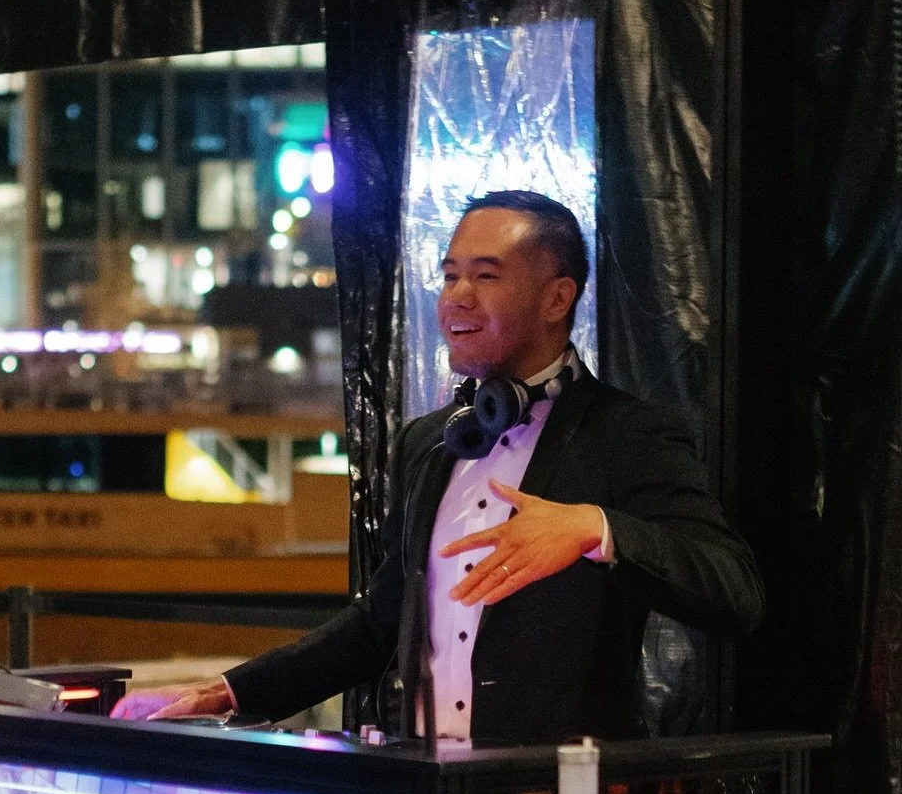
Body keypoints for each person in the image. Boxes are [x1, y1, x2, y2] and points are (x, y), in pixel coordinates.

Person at [113, 191, 764, 741]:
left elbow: (735, 591)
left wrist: (596, 530)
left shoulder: (624, 435)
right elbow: (381, 623)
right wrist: (230, 692)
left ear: (556, 297)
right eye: (450, 275)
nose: (455, 297)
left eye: (485, 276)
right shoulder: (427, 443)